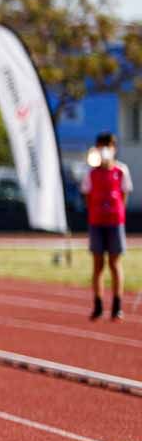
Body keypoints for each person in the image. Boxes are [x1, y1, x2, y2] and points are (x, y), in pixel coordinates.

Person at [81, 132, 132, 321]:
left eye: (108, 146)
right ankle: (98, 305)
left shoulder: (121, 171)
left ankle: (117, 305)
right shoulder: (91, 173)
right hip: (97, 222)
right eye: (102, 146)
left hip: (115, 222)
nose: (105, 151)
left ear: (114, 148)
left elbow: (124, 195)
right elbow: (87, 195)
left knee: (115, 263)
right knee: (98, 264)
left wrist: (116, 213)